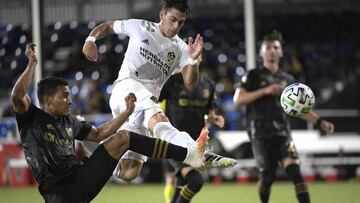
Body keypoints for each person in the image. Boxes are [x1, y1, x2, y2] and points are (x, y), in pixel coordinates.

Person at [11, 43, 206, 203]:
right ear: (47, 101)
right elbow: (17, 96)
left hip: (82, 177)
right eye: (64, 96)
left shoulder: (70, 121)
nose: (70, 101)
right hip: (57, 193)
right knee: (127, 167)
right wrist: (31, 65)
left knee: (123, 138)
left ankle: (188, 154)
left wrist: (126, 114)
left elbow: (98, 134)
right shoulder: (32, 119)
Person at [82, 0, 236, 182]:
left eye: (181, 22)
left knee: (129, 173)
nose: (176, 26)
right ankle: (196, 152)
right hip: (126, 88)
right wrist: (90, 40)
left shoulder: (181, 48)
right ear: (162, 15)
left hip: (144, 105)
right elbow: (108, 27)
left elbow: (190, 83)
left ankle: (93, 145)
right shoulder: (140, 26)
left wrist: (193, 60)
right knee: (160, 120)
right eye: (173, 19)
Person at [233, 31, 335, 203]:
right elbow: (238, 100)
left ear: (281, 52)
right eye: (268, 47)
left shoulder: (288, 79)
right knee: (268, 177)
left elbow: (299, 109)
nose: (272, 50)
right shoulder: (252, 76)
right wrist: (265, 90)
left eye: (276, 47)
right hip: (260, 134)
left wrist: (319, 121)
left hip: (283, 134)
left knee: (295, 172)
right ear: (261, 52)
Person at [159, 67, 228, 203]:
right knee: (195, 181)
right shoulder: (172, 82)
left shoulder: (207, 84)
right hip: (175, 143)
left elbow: (209, 112)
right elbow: (153, 100)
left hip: (195, 145)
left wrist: (213, 118)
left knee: (181, 184)